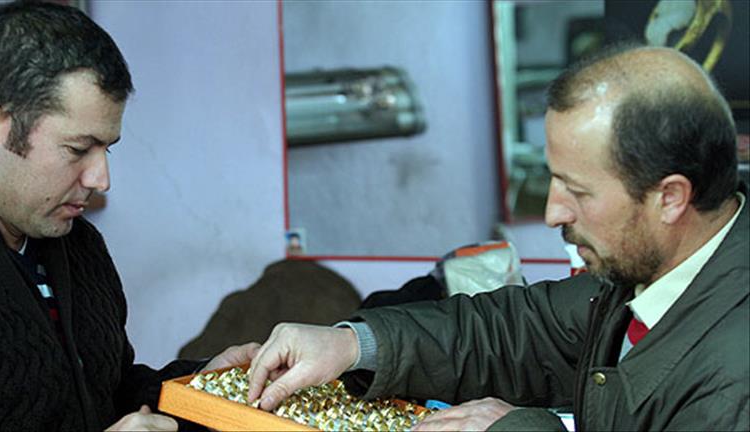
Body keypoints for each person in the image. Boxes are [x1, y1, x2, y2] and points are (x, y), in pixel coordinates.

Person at [246, 44, 749, 431]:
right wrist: (354, 345)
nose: (553, 212)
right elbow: (517, 332)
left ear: (670, 197)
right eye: (554, 181)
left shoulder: (736, 380)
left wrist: (515, 427)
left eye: (577, 191)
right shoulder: (651, 274)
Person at [0, 2, 257, 430]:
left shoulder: (75, 240)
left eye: (107, 149)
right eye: (78, 150)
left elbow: (106, 393)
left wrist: (204, 390)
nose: (101, 179)